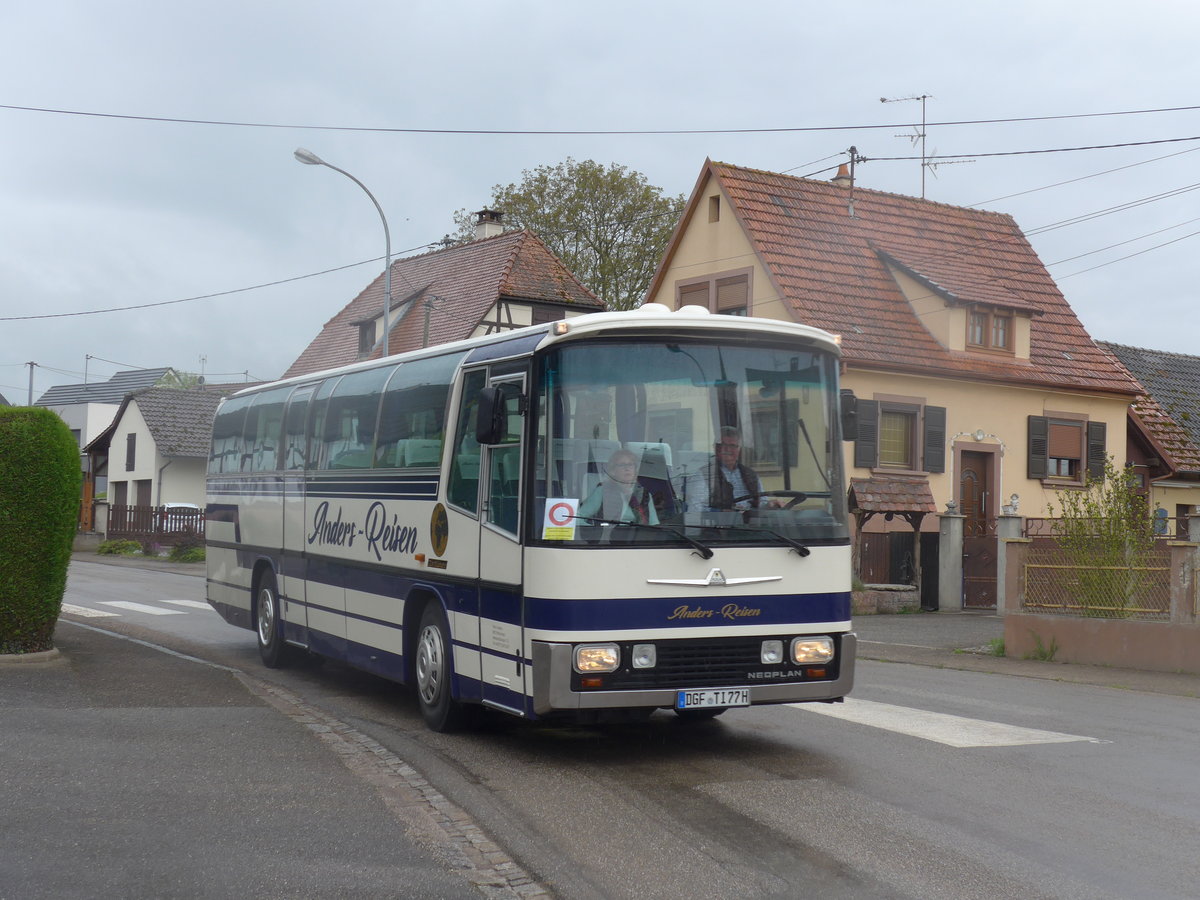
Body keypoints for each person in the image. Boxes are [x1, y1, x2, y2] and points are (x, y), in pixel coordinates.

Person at [687, 426, 780, 512]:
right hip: (721, 527)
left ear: (739, 449)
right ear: (716, 448)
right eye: (723, 445)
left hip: (750, 526)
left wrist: (769, 505)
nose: (727, 449)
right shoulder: (703, 475)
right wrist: (720, 513)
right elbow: (695, 509)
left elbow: (761, 503)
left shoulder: (751, 475)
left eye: (732, 446)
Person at [578, 448, 659, 524]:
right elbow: (578, 517)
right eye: (622, 465)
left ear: (635, 470)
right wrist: (593, 531)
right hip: (608, 537)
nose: (627, 468)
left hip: (638, 537)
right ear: (613, 471)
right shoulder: (602, 491)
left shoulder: (644, 494)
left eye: (630, 465)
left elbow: (654, 525)